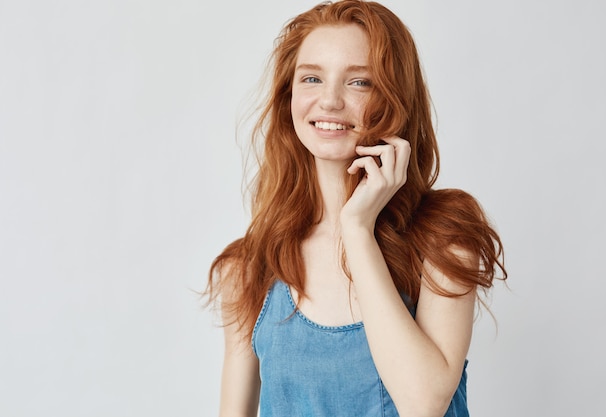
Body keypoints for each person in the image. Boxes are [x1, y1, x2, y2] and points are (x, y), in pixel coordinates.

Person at [206, 1, 507, 416]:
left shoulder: (443, 237)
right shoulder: (249, 267)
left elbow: (424, 405)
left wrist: (357, 228)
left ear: (395, 98)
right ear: (287, 97)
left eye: (359, 82)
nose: (329, 101)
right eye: (311, 78)